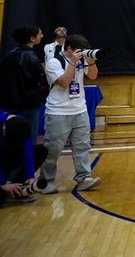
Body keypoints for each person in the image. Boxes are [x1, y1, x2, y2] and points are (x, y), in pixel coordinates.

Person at [36, 33, 100, 194]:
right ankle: (46, 181)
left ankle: (84, 178)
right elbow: (64, 82)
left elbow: (93, 76)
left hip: (80, 110)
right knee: (53, 149)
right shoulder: (54, 62)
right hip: (58, 112)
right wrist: (72, 62)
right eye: (79, 50)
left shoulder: (82, 60)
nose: (81, 54)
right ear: (69, 48)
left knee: (82, 146)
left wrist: (91, 61)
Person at [0, 26, 49, 139]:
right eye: (40, 34)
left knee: (12, 136)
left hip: (10, 103)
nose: (42, 36)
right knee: (28, 137)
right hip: (28, 104)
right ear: (32, 38)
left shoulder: (10, 54)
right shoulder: (30, 56)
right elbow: (38, 80)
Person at [0, 112, 43, 207]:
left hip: (6, 156)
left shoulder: (21, 126)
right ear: (4, 128)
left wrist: (30, 177)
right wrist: (2, 184)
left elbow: (27, 153)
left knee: (41, 151)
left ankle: (17, 187)